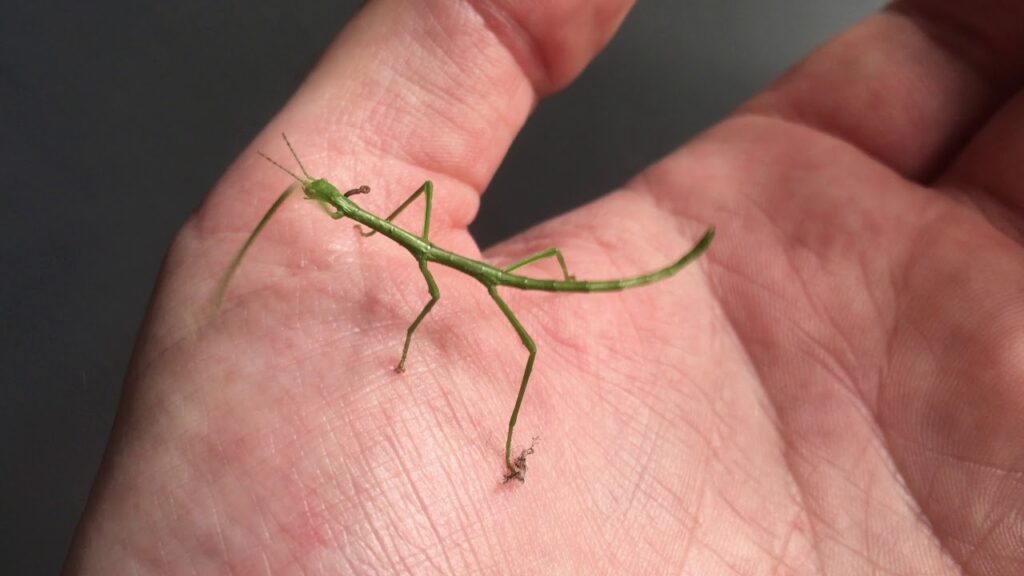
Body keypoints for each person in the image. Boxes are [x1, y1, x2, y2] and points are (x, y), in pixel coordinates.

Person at [64, 0, 1023, 573]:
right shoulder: (361, 213)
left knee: (519, 336)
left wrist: (402, 341)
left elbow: (434, 292)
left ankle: (517, 438)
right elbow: (367, 223)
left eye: (332, 201)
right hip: (474, 268)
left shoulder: (411, 251)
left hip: (493, 281)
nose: (331, 204)